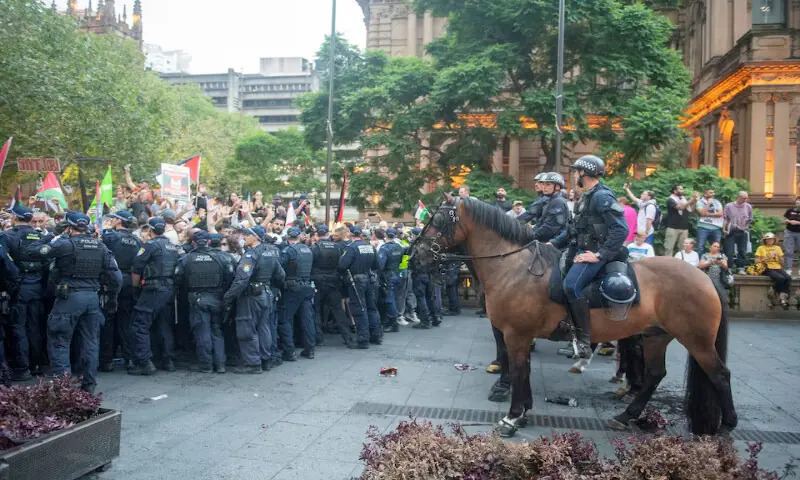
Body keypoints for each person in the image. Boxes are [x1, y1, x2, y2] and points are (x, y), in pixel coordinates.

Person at [26, 212, 122, 393]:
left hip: (68, 298)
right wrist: (112, 299)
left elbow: (32, 251)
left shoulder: (65, 244)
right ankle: (89, 386)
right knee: (91, 342)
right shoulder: (101, 247)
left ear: (69, 227)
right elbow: (116, 278)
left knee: (59, 341)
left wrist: (50, 236)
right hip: (92, 299)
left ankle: (65, 389)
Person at [552, 155, 628, 359]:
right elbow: (573, 230)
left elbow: (621, 230)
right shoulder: (587, 195)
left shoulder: (602, 197)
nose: (575, 174)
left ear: (584, 172)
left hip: (594, 253)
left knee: (571, 286)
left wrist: (598, 255)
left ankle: (585, 342)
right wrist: (551, 244)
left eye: (577, 171)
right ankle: (570, 331)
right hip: (579, 250)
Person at [129, 217, 184, 375]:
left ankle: (144, 362)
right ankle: (168, 361)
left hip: (153, 289)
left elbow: (136, 268)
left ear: (151, 231)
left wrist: (135, 288)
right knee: (164, 324)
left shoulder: (149, 246)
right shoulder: (174, 247)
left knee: (140, 325)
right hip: (169, 289)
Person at [175, 230, 236, 373]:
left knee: (202, 332)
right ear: (209, 242)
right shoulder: (223, 257)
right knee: (217, 330)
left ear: (193, 243)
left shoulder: (186, 259)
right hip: (218, 298)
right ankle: (220, 364)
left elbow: (178, 279)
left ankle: (206, 364)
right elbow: (231, 277)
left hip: (197, 299)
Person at [0, 205, 48, 380]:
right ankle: (36, 364)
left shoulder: (7, 236)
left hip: (18, 288)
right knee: (35, 326)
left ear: (14, 218)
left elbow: (4, 263)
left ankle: (22, 367)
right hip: (37, 287)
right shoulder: (42, 236)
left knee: (18, 327)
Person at [99, 210, 143, 372]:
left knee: (108, 321)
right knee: (126, 322)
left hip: (111, 282)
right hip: (129, 282)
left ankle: (106, 360)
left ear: (118, 221)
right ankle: (129, 359)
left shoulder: (110, 237)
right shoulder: (137, 240)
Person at [311, 225, 357, 348]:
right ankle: (348, 338)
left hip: (318, 282)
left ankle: (319, 338)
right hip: (333, 282)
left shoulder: (314, 248)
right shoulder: (337, 247)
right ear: (327, 234)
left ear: (316, 235)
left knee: (315, 310)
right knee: (338, 311)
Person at [338, 225, 382, 347]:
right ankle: (376, 335)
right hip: (369, 279)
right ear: (361, 235)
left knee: (359, 309)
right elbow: (377, 265)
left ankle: (363, 339)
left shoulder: (351, 248)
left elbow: (342, 265)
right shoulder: (370, 246)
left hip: (356, 281)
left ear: (350, 234)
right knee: (371, 308)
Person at [279, 227, 316, 359]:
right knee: (307, 319)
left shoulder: (289, 250)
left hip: (293, 287)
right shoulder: (308, 249)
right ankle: (310, 349)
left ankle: (289, 351)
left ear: (288, 237)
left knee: (284, 318)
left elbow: (280, 268)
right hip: (306, 286)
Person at [378, 228, 407, 332]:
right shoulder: (399, 247)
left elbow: (381, 264)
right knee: (394, 298)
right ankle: (392, 320)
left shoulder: (384, 248)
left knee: (389, 300)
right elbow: (400, 260)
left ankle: (393, 323)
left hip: (387, 276)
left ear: (386, 235)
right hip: (396, 274)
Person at [755, 233, 791, 309]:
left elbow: (782, 262)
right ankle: (779, 296)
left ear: (774, 240)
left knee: (788, 278)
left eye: (771, 239)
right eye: (768, 239)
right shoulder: (761, 248)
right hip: (766, 267)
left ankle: (781, 295)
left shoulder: (777, 248)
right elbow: (757, 261)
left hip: (777, 267)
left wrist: (778, 256)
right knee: (780, 278)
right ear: (765, 240)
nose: (770, 241)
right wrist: (768, 257)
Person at [531, 172, 569, 244]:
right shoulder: (550, 200)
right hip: (548, 240)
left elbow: (549, 227)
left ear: (557, 186)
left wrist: (531, 236)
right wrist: (529, 234)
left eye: (548, 184)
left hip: (557, 243)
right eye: (543, 184)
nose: (544, 187)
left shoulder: (558, 201)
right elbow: (540, 223)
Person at [663, 185, 698, 257]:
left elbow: (690, 212)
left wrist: (695, 201)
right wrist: (691, 199)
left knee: (683, 249)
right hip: (672, 228)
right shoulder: (670, 200)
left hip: (684, 228)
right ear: (675, 191)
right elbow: (681, 207)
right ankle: (667, 266)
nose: (682, 191)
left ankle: (681, 265)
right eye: (680, 189)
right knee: (669, 248)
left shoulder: (684, 199)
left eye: (683, 189)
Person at [723, 191, 753, 275]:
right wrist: (724, 229)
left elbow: (750, 218)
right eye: (744, 198)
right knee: (729, 251)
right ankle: (729, 268)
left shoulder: (748, 206)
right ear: (738, 197)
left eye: (746, 198)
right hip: (731, 231)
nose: (745, 200)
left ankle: (740, 268)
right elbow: (725, 218)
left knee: (742, 251)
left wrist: (747, 226)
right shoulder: (729, 206)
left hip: (743, 231)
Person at [695, 189, 724, 257]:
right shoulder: (700, 202)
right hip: (703, 227)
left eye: (713, 192)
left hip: (716, 228)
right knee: (700, 247)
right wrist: (708, 203)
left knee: (716, 247)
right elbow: (701, 213)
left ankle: (715, 264)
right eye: (710, 193)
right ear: (705, 194)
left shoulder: (716, 202)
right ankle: (700, 265)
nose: (713, 194)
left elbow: (720, 213)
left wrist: (707, 214)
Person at [783, 196, 800, 276]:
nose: (798, 202)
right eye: (798, 200)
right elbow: (785, 219)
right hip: (789, 232)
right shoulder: (790, 210)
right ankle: (788, 269)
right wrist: (788, 221)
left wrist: (797, 223)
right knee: (788, 251)